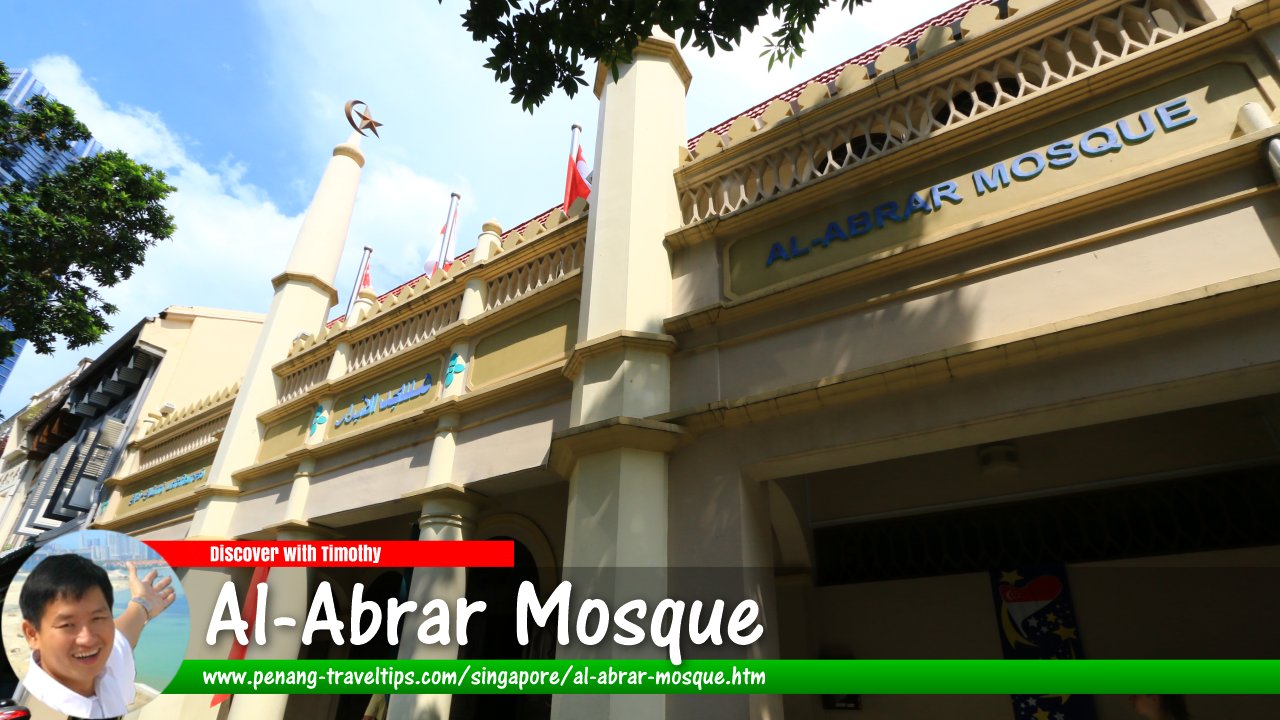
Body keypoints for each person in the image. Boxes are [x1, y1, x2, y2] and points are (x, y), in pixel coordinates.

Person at [18, 554, 176, 719]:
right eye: (67, 625)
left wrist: (143, 603)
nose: (87, 639)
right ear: (32, 634)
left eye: (97, 618)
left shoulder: (107, 667)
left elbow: (122, 635)